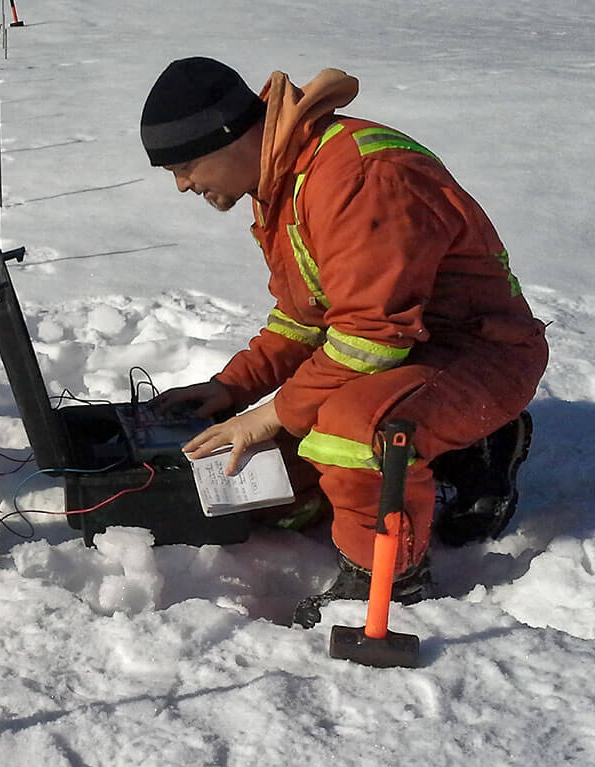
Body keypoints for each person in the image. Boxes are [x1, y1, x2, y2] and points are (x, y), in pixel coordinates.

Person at [142, 57, 547, 627]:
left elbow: (372, 336)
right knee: (274, 489)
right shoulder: (285, 181)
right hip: (411, 355)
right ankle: (465, 452)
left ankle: (390, 580)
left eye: (185, 165)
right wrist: (231, 388)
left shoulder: (356, 177)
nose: (184, 184)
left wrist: (273, 414)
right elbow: (305, 318)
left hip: (479, 355)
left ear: (234, 136)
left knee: (349, 430)